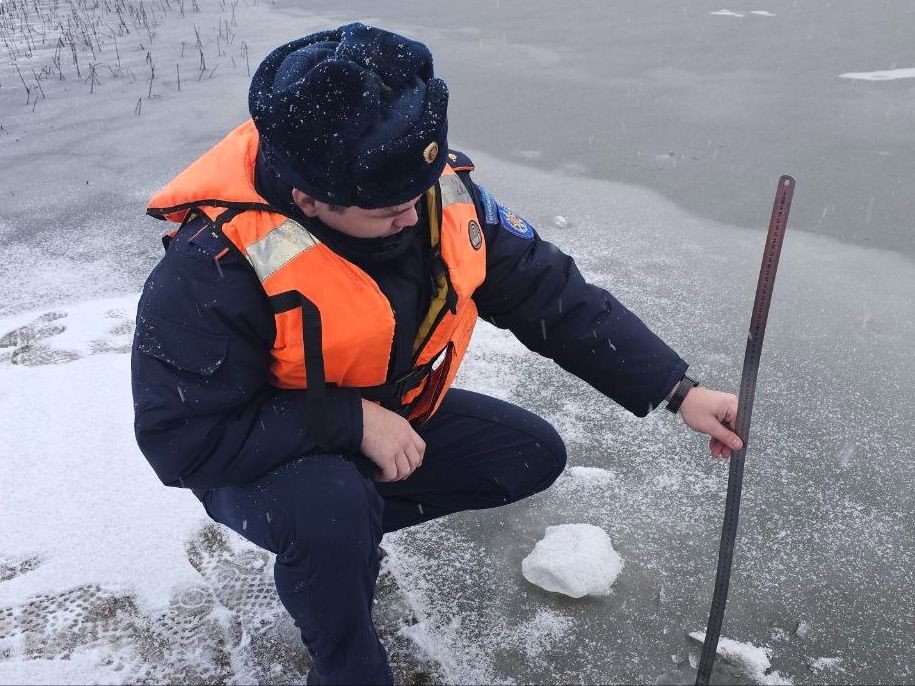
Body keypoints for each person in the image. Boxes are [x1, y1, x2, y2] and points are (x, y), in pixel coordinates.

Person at [131, 22, 744, 685]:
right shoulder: (212, 268)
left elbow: (548, 293)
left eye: (416, 194)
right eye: (386, 209)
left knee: (527, 455)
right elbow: (180, 441)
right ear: (310, 199)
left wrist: (679, 391)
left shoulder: (431, 195)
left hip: (381, 421)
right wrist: (350, 423)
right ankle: (344, 651)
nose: (410, 216)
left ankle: (340, 537)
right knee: (331, 509)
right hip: (253, 457)